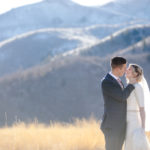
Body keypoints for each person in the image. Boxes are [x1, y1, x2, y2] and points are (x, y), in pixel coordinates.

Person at [100, 56, 135, 150]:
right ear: (117, 68)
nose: (125, 70)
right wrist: (131, 84)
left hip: (120, 125)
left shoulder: (118, 81)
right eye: (124, 68)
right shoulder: (106, 82)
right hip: (112, 126)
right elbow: (122, 96)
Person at [124, 64, 150, 150]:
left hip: (134, 121)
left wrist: (142, 128)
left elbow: (142, 109)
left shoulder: (138, 87)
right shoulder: (127, 87)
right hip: (126, 120)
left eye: (129, 69)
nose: (126, 70)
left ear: (135, 74)